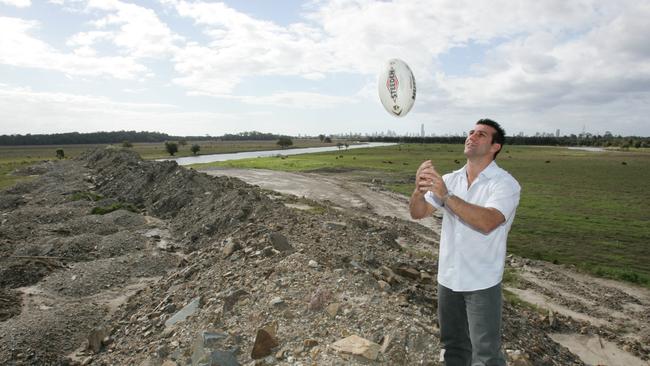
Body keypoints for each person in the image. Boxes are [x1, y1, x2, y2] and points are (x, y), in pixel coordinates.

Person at [409, 119, 521, 366]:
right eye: (471, 132)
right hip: (448, 279)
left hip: (482, 282)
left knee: (486, 354)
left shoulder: (504, 184)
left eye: (481, 134)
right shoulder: (452, 178)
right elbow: (418, 213)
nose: (472, 136)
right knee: (453, 347)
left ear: (495, 147)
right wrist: (418, 191)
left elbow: (488, 221)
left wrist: (446, 196)